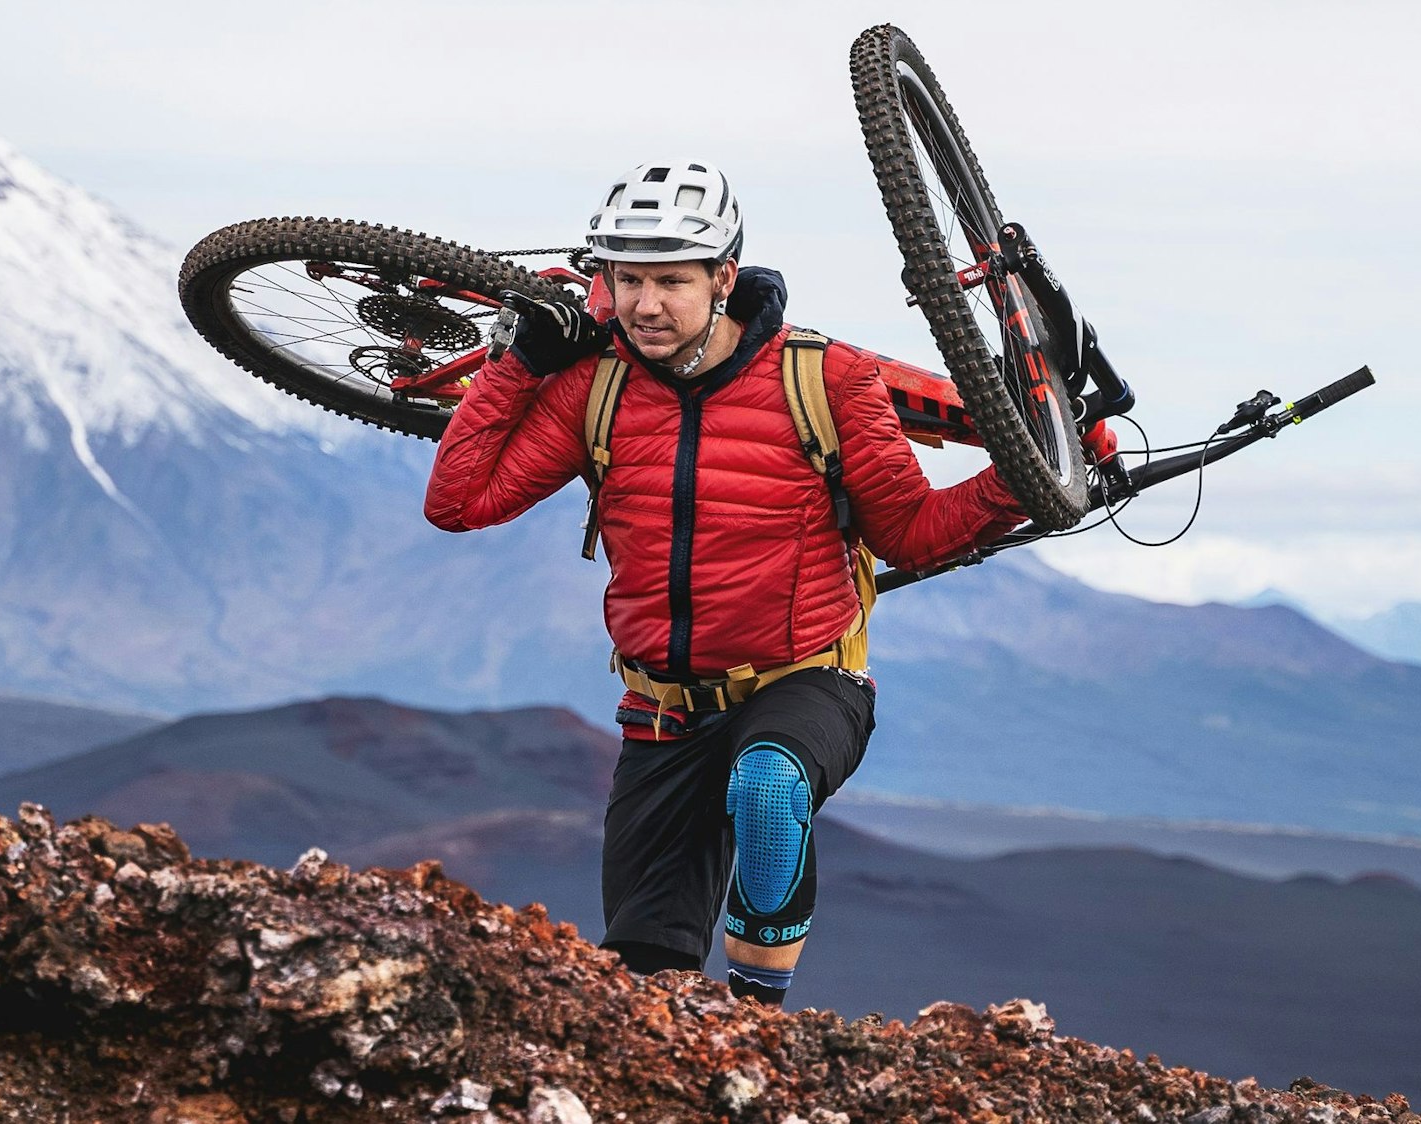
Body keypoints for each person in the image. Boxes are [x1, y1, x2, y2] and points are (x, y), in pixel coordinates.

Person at [423, 162, 1028, 1009]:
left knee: (770, 784)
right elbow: (459, 502)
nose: (645, 305)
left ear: (722, 279)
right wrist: (519, 365)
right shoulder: (591, 388)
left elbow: (910, 533)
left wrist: (1018, 481)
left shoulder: (824, 380)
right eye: (626, 279)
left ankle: (755, 1030)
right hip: (663, 713)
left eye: (672, 280)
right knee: (639, 984)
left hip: (806, 681)